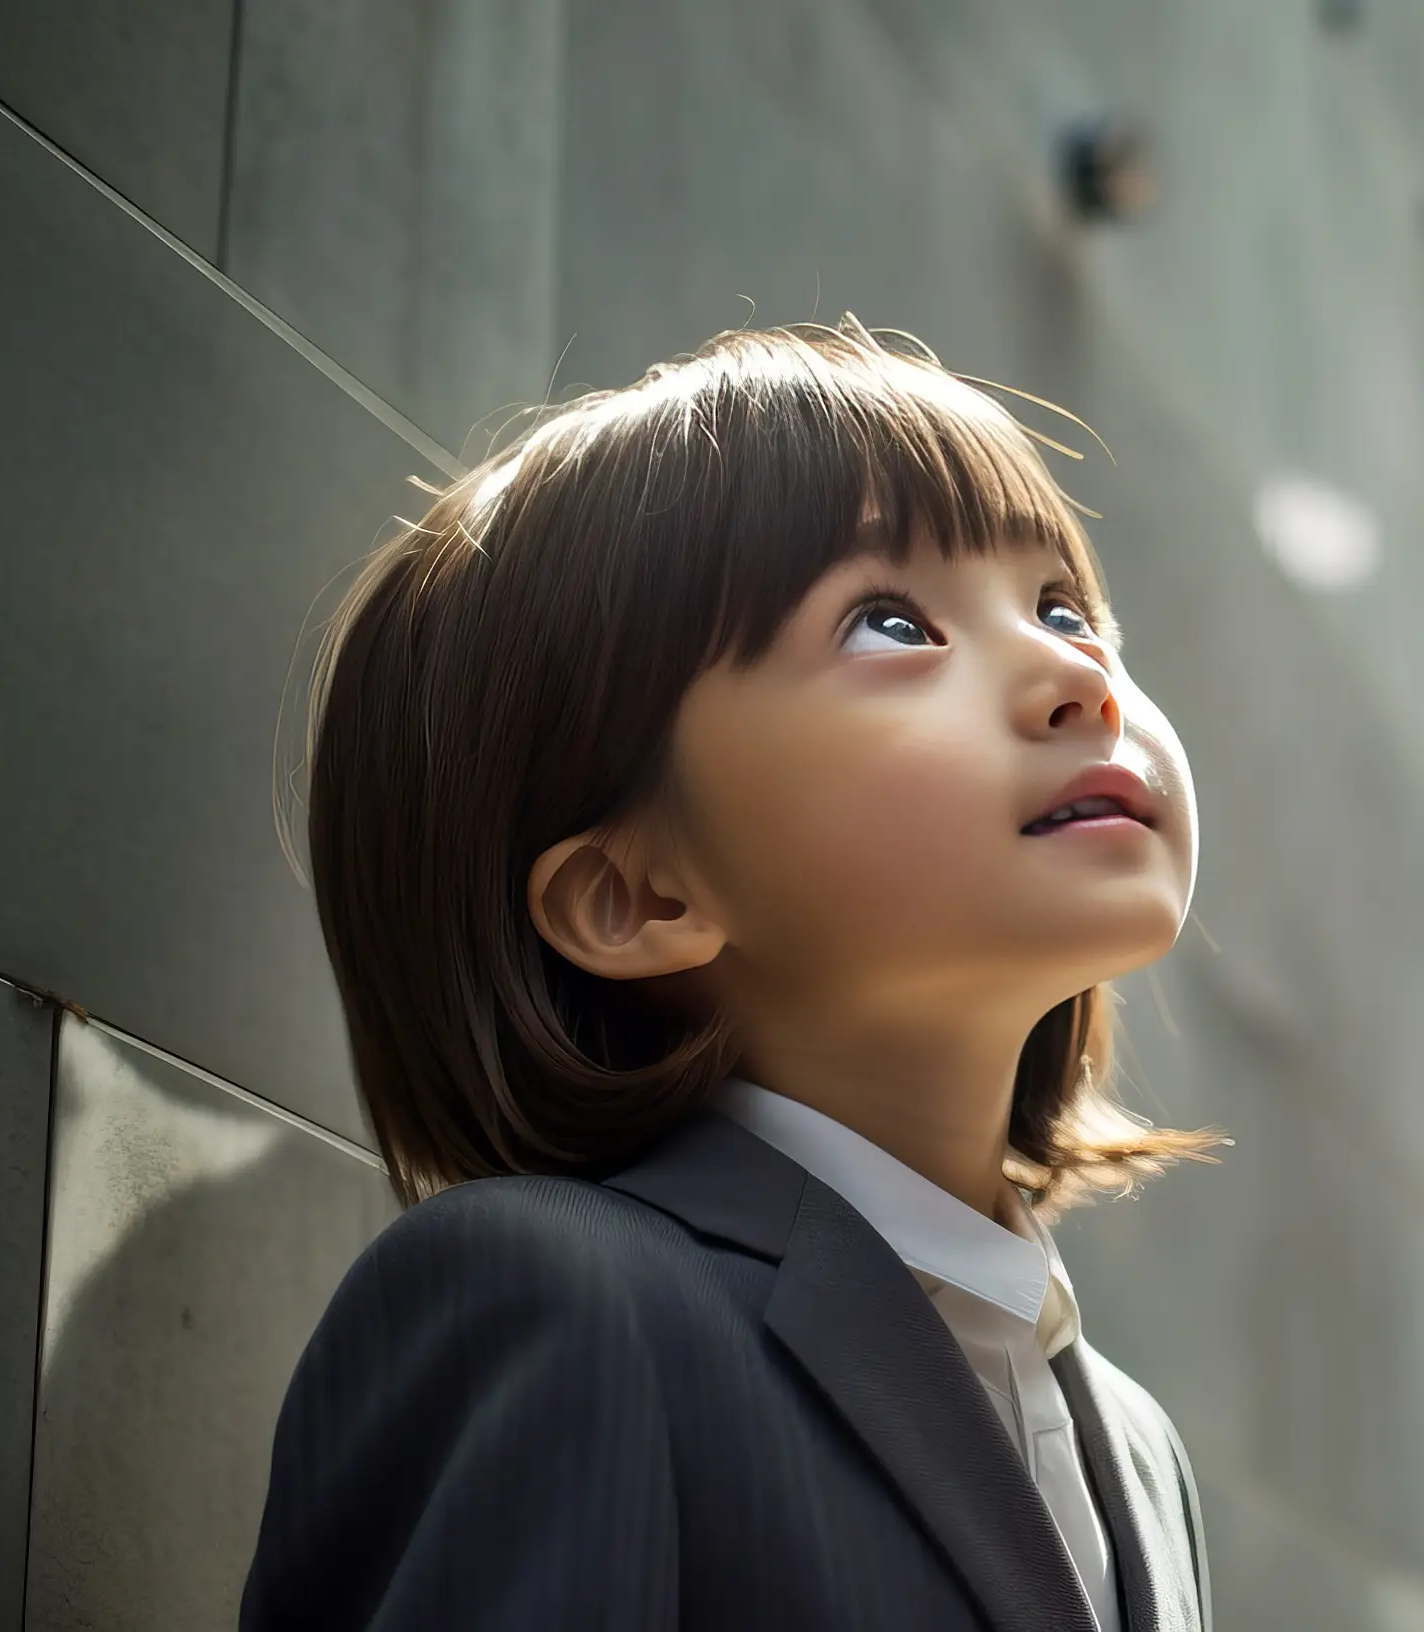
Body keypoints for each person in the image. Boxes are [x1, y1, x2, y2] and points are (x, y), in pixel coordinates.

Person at [241, 317, 1221, 1631]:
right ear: (639, 894)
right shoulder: (556, 1305)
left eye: (1063, 603)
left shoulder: (1142, 1451)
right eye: (888, 624)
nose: (1075, 673)